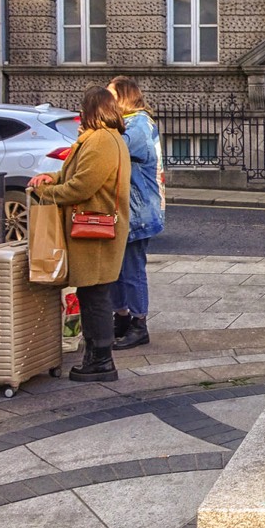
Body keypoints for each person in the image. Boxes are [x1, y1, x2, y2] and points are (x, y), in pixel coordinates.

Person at [29, 86, 131, 382]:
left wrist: (46, 192)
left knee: (95, 295)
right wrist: (54, 176)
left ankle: (101, 361)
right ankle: (97, 357)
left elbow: (83, 186)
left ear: (91, 110)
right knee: (92, 293)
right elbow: (78, 173)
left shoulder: (101, 140)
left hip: (94, 231)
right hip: (94, 231)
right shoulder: (104, 138)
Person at [107, 75, 164, 349]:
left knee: (131, 270)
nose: (108, 100)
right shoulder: (128, 123)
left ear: (124, 97)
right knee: (116, 270)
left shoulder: (139, 124)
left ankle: (139, 323)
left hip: (138, 212)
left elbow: (117, 150)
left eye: (111, 95)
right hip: (125, 209)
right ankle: (121, 317)